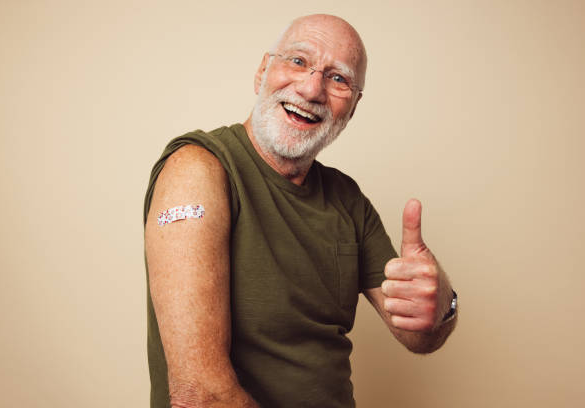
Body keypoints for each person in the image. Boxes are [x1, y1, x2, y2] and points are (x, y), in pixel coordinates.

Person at [143, 14, 457, 408]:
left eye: (338, 78)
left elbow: (418, 334)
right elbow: (199, 395)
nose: (311, 89)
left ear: (353, 107)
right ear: (262, 71)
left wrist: (441, 303)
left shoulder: (347, 199)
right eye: (297, 61)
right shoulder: (198, 169)